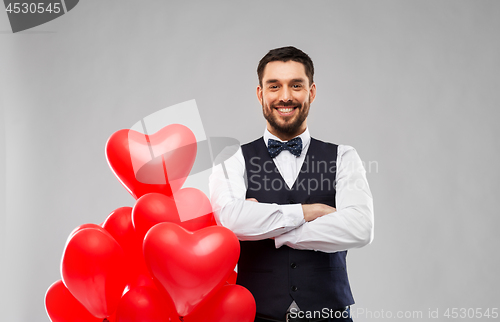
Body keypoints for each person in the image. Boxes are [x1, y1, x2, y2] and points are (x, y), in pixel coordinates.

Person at [209, 46, 374, 322]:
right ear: (261, 94)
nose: (285, 96)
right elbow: (229, 221)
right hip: (256, 315)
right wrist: (308, 212)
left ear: (311, 92)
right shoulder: (232, 159)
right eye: (274, 86)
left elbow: (361, 228)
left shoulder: (344, 156)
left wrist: (271, 230)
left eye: (296, 85)